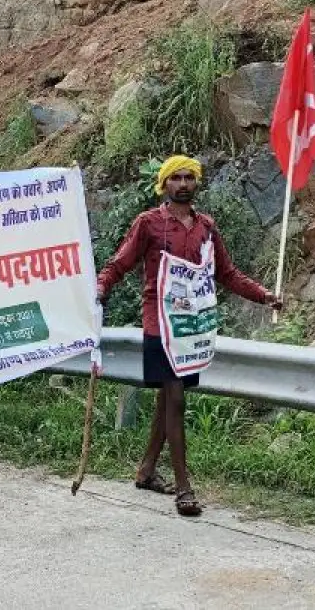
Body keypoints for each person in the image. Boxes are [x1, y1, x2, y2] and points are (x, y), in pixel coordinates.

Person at [97, 155, 281, 517]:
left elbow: (226, 273)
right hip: (160, 323)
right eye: (176, 178)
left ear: (197, 183)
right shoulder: (148, 223)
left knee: (167, 399)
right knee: (176, 398)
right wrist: (102, 286)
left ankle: (146, 470)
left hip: (191, 325)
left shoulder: (206, 227)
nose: (183, 184)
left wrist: (264, 296)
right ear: (164, 184)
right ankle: (184, 487)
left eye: (189, 178)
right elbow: (120, 263)